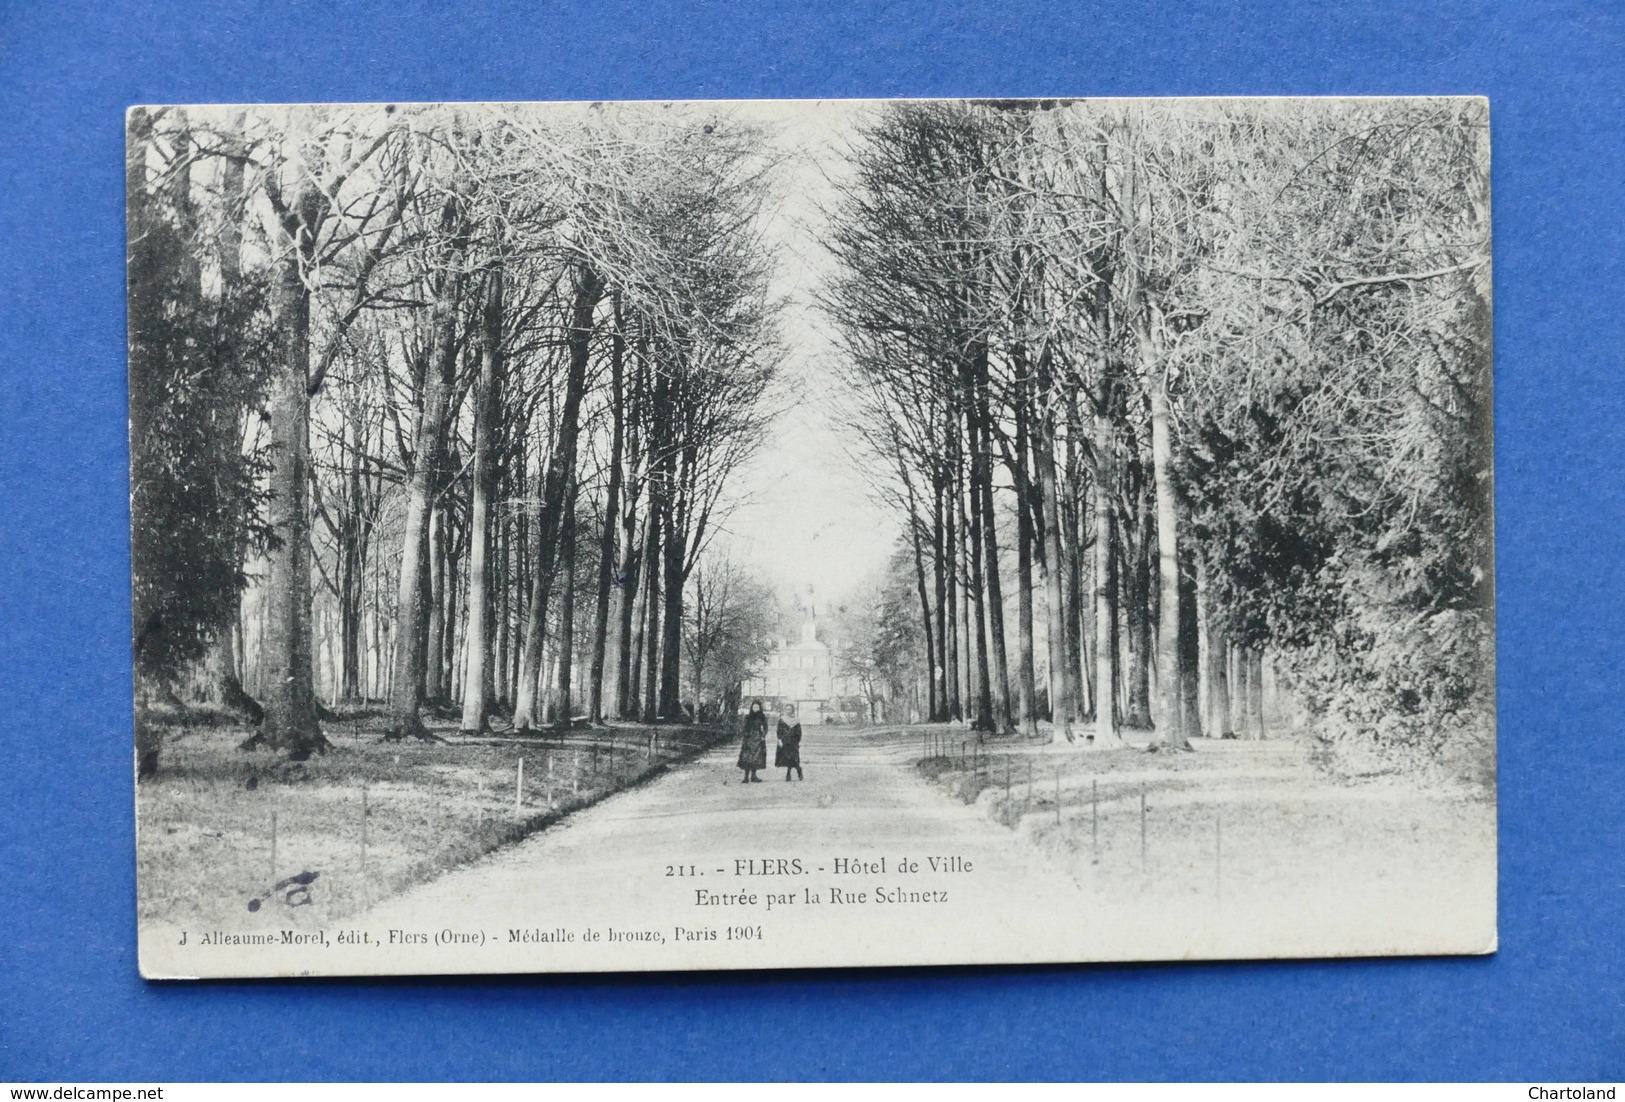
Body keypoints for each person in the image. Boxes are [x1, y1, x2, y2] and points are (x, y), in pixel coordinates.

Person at [738, 700, 768, 783]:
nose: (756, 709)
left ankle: (754, 776)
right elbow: (744, 728)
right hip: (748, 738)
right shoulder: (748, 717)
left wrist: (763, 736)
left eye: (757, 707)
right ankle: (746, 777)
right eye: (754, 707)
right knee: (747, 757)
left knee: (756, 757)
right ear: (751, 708)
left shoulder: (762, 717)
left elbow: (765, 728)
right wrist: (746, 735)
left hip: (758, 738)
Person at [775, 704, 804, 781]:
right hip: (785, 741)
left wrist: (799, 741)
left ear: (792, 710)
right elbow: (779, 731)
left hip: (793, 742)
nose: (788, 711)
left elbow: (799, 732)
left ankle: (798, 770)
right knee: (787, 758)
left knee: (794, 758)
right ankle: (788, 774)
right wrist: (779, 740)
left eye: (790, 709)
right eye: (787, 709)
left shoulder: (796, 721)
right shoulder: (781, 720)